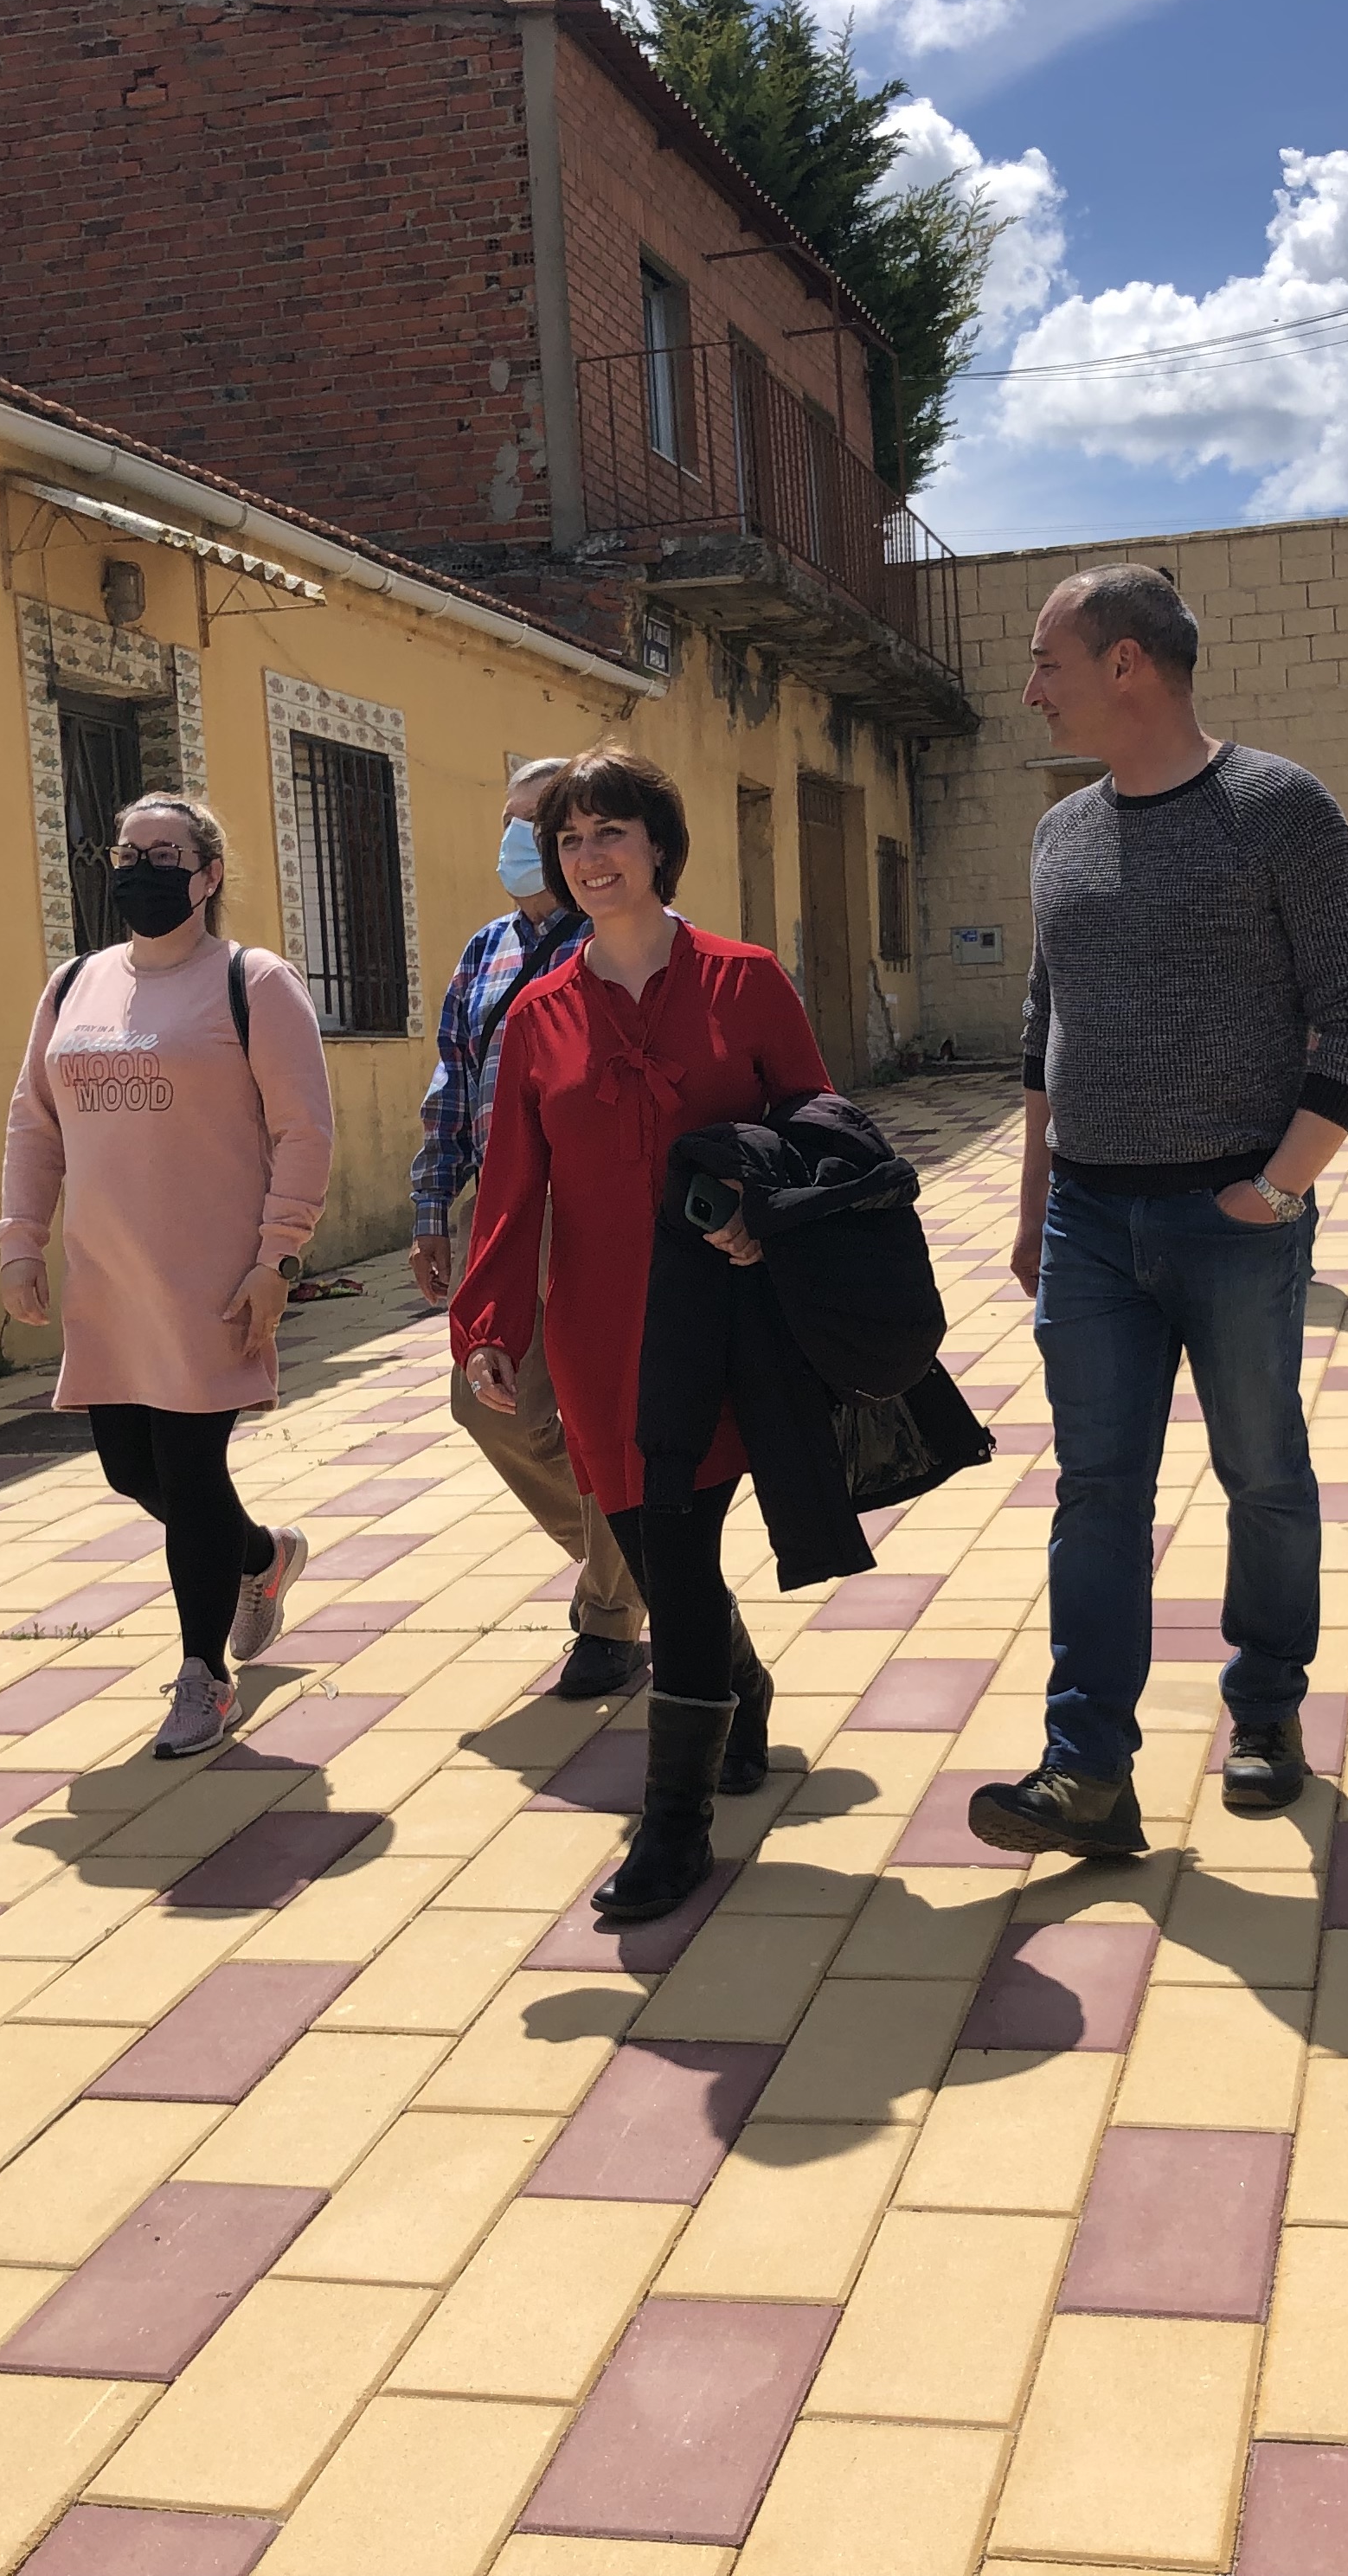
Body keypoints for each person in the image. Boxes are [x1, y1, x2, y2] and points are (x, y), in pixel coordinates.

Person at [971, 566, 1348, 1860]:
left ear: (1127, 665)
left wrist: (1280, 1188)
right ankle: (1087, 1768)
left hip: (1234, 1220)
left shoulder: (1278, 809)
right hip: (1089, 1225)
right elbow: (1045, 1027)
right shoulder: (1061, 832)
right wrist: (1034, 1204)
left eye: (1048, 660)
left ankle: (1264, 1706)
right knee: (1097, 1490)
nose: (1030, 688)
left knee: (1261, 1472)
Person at [452, 748, 830, 1922]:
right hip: (597, 1331)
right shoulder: (538, 1015)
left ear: (660, 845)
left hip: (724, 1318)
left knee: (681, 1540)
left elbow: (819, 1132)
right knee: (660, 1553)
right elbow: (512, 1186)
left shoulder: (745, 981)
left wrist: (768, 1217)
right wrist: (490, 1323)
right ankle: (742, 1687)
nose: (589, 857)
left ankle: (674, 1828)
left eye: (611, 832)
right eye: (569, 840)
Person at [0, 792, 337, 1760]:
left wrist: (278, 1257)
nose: (140, 870)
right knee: (131, 1470)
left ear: (208, 874)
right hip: (108, 1278)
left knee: (190, 1475)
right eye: (127, 853)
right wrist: (21, 1236)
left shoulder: (253, 982)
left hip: (211, 1280)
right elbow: (34, 1121)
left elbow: (303, 1131)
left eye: (164, 854)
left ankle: (203, 1677)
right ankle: (262, 1557)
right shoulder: (74, 985)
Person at [412, 757, 647, 1700]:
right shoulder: (487, 950)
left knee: (607, 1414)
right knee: (487, 1402)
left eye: (536, 823)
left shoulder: (616, 941)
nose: (520, 841)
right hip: (502, 1208)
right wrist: (434, 1210)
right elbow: (450, 1082)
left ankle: (611, 1613)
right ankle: (638, 1555)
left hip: (599, 1208)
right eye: (513, 822)